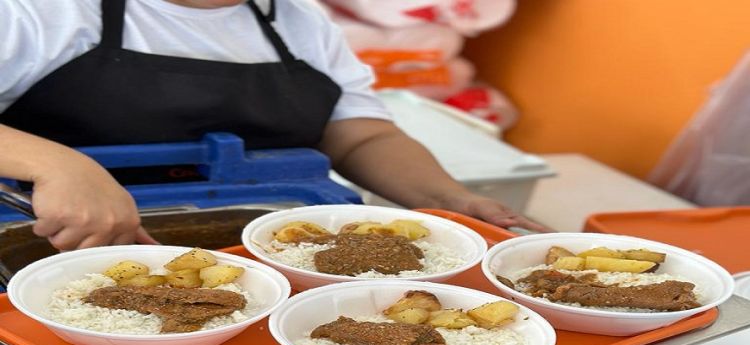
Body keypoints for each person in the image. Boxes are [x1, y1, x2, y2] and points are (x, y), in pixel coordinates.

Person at [0, 0, 546, 251]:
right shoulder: (43, 11)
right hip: (52, 246)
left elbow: (360, 131)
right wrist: (56, 163)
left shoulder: (300, 19)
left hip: (271, 244)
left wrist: (451, 199)